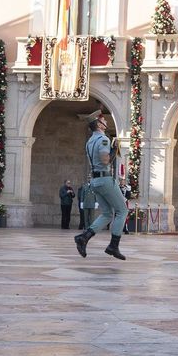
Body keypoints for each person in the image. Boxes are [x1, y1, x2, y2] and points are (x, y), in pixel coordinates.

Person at [74, 111, 127, 261]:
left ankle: (84, 237)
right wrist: (114, 148)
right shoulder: (103, 139)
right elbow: (105, 160)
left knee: (107, 214)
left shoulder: (90, 141)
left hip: (95, 181)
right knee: (122, 210)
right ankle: (113, 246)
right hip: (105, 179)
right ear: (99, 124)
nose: (106, 123)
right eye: (104, 120)